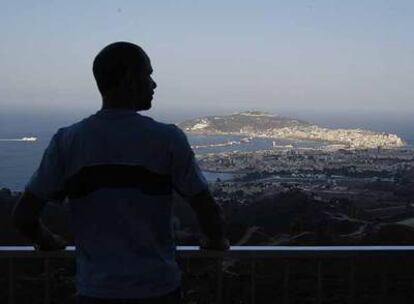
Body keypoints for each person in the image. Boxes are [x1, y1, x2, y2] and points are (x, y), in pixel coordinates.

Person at [12, 41, 230, 304]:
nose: (154, 84)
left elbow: (24, 215)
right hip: (158, 288)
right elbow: (208, 210)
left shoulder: (68, 141)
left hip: (95, 291)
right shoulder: (167, 139)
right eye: (148, 74)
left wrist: (47, 241)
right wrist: (215, 241)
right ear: (129, 79)